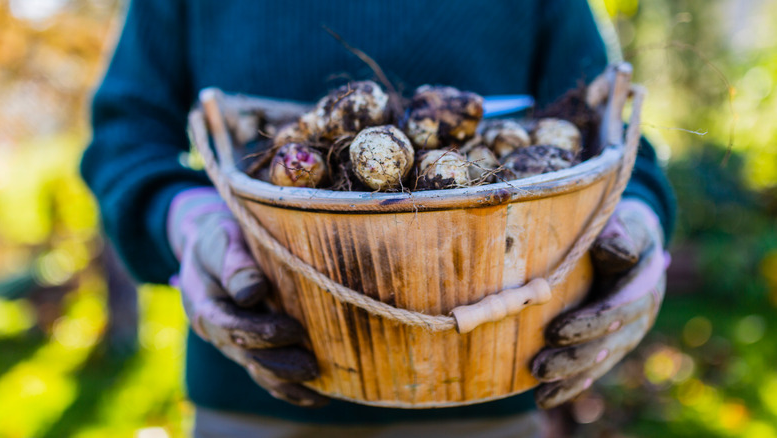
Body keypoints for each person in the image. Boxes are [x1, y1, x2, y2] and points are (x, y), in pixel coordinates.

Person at [81, 1, 675, 436]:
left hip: (492, 387)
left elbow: (615, 137)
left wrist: (638, 220)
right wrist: (188, 221)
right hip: (259, 394)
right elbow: (125, 136)